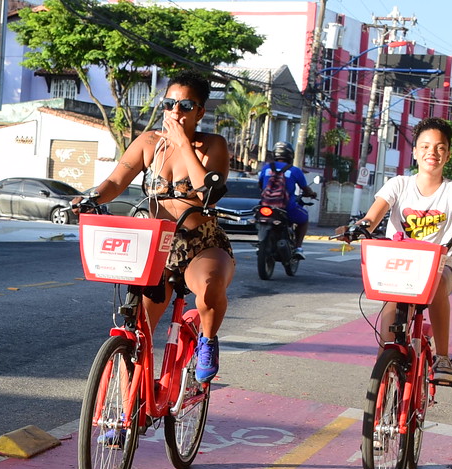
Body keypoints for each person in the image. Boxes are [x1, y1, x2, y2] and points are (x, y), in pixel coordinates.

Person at [73, 72, 235, 383]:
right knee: (139, 328)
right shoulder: (148, 143)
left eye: (186, 105)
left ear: (200, 112)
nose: (176, 111)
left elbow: (207, 194)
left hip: (201, 242)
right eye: (170, 104)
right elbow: (115, 181)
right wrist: (90, 198)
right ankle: (128, 402)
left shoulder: (213, 145)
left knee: (210, 285)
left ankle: (207, 340)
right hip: (158, 244)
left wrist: (183, 143)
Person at [352, 117, 452, 386]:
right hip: (399, 270)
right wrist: (357, 228)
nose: (432, 152)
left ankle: (442, 357)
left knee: (438, 282)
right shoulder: (398, 185)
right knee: (386, 341)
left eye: (440, 147)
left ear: (448, 155)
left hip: (438, 269)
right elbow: (372, 218)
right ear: (415, 152)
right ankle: (385, 386)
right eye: (426, 146)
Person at [257, 142, 313, 249]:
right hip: (287, 208)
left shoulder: (266, 168)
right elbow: (306, 189)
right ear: (290, 155)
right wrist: (311, 194)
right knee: (304, 219)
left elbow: (260, 185)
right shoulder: (295, 170)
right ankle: (298, 247)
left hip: (265, 206)